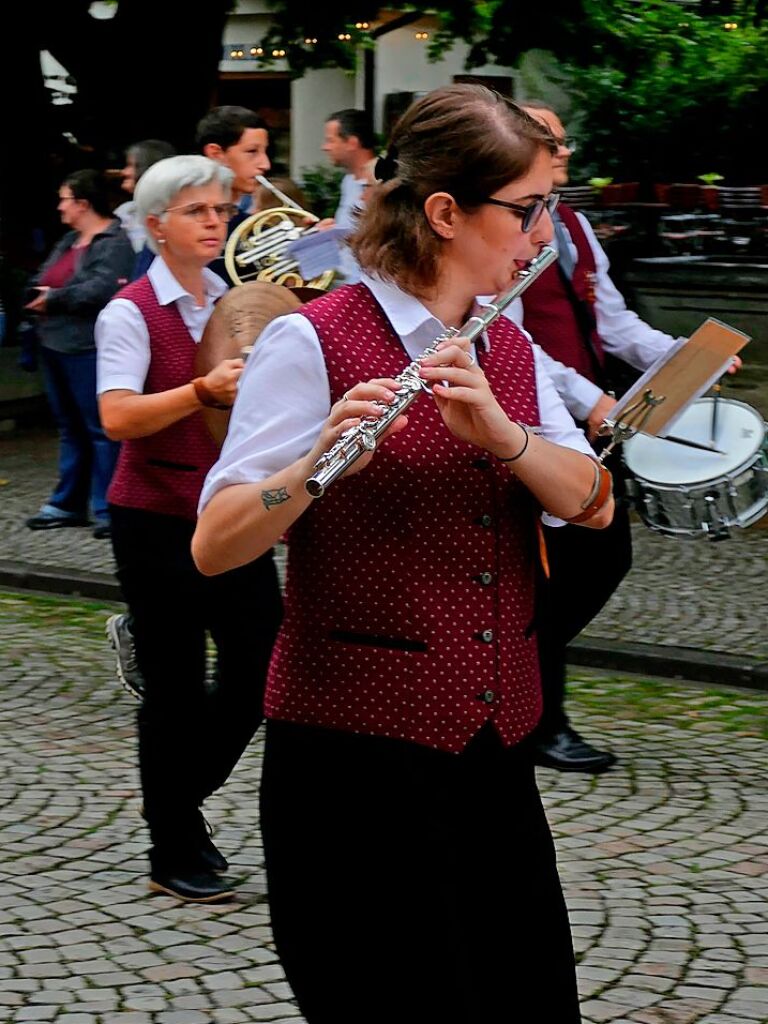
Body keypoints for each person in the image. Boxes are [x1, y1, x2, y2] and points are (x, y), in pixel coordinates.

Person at [193, 84, 613, 1022]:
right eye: (527, 208)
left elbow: (593, 501)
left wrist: (505, 436)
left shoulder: (505, 345)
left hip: (491, 753)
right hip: (353, 769)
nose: (542, 233)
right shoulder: (313, 340)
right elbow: (215, 547)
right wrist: (313, 467)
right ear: (445, 212)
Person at [95, 155, 282, 903]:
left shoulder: (238, 301)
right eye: (198, 211)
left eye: (220, 208)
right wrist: (200, 388)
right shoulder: (129, 310)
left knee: (262, 670)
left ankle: (173, 799)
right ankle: (173, 843)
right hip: (153, 517)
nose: (217, 221)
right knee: (173, 688)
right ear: (156, 226)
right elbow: (116, 418)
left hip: (229, 513)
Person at [502, 100, 692, 773]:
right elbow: (511, 340)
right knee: (565, 569)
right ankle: (538, 716)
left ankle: (529, 700)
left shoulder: (576, 226)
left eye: (561, 140)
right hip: (532, 423)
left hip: (589, 430)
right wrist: (587, 399)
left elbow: (612, 326)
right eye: (547, 141)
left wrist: (682, 356)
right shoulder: (506, 230)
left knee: (597, 563)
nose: (563, 151)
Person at [25, 170, 135, 539]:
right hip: (54, 342)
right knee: (70, 428)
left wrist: (53, 298)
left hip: (87, 346)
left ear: (83, 204)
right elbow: (44, 275)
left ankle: (108, 507)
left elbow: (102, 288)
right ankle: (68, 502)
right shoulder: (70, 239)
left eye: (65, 198)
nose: (60, 206)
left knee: (100, 428)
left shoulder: (114, 241)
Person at [194, 105, 272, 286]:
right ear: (216, 154)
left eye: (265, 151)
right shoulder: (176, 225)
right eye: (252, 151)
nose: (265, 164)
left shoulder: (253, 228)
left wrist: (313, 246)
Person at [318, 108, 377, 283]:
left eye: (330, 140)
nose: (324, 147)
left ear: (351, 142)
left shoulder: (382, 181)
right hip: (342, 281)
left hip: (366, 284)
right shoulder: (348, 181)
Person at [114, 139, 177, 253]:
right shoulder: (124, 211)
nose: (124, 172)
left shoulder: (174, 215)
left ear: (148, 169)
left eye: (130, 166)